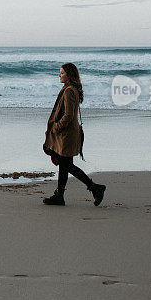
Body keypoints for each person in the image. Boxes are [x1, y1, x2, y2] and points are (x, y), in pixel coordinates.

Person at [42, 63, 105, 206]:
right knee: (65, 165)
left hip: (67, 134)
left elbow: (68, 115)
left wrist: (56, 127)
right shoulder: (71, 89)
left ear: (69, 75)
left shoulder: (69, 91)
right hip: (68, 133)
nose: (59, 75)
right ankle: (60, 195)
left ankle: (94, 187)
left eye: (62, 73)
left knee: (67, 165)